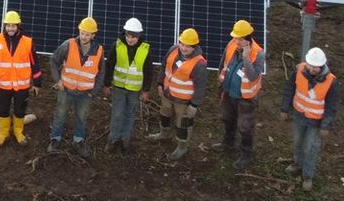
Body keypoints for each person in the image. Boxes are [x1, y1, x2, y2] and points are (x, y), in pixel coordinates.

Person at [282, 47, 339, 190]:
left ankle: (307, 176)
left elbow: (331, 107)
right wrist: (285, 108)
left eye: (316, 67)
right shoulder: (299, 70)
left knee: (310, 147)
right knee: (297, 141)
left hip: (315, 122)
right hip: (299, 115)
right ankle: (297, 163)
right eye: (310, 65)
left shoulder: (331, 82)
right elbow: (290, 88)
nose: (312, 69)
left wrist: (325, 125)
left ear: (321, 66)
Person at [46, 18, 103, 156]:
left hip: (85, 93)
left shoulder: (99, 50)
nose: (84, 36)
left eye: (88, 34)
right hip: (66, 89)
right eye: (82, 33)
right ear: (79, 31)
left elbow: (101, 73)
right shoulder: (68, 45)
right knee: (60, 115)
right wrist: (58, 80)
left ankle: (78, 141)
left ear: (93, 35)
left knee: (81, 118)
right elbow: (53, 60)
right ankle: (55, 139)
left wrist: (94, 92)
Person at [148, 28, 206, 160]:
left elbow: (201, 86)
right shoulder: (173, 50)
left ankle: (182, 147)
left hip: (184, 101)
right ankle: (164, 134)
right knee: (164, 115)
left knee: (183, 124)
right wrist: (160, 83)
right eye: (182, 44)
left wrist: (194, 105)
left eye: (188, 46)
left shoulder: (199, 64)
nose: (184, 48)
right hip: (168, 95)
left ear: (194, 46)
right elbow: (164, 67)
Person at [219, 19, 266, 171]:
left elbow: (252, 76)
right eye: (235, 37)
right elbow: (223, 63)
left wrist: (246, 58)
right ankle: (228, 142)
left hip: (246, 98)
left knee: (245, 126)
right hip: (229, 92)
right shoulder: (231, 44)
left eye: (239, 38)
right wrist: (221, 85)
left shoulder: (258, 54)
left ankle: (247, 154)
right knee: (227, 118)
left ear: (247, 38)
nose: (236, 41)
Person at [0, 10, 38, 147]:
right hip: (3, 85)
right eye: (8, 25)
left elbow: (34, 63)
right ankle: (3, 134)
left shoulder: (28, 42)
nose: (10, 28)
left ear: (18, 26)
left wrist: (37, 83)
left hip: (21, 86)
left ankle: (18, 132)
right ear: (4, 26)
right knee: (2, 110)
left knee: (20, 110)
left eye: (13, 25)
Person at [102, 18, 151, 153]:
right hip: (118, 87)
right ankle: (112, 140)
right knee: (117, 114)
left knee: (130, 114)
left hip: (134, 90)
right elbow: (110, 65)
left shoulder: (145, 49)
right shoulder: (117, 46)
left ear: (139, 36)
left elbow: (148, 71)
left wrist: (146, 90)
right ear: (124, 33)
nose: (130, 39)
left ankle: (125, 140)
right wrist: (106, 84)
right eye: (128, 35)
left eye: (133, 37)